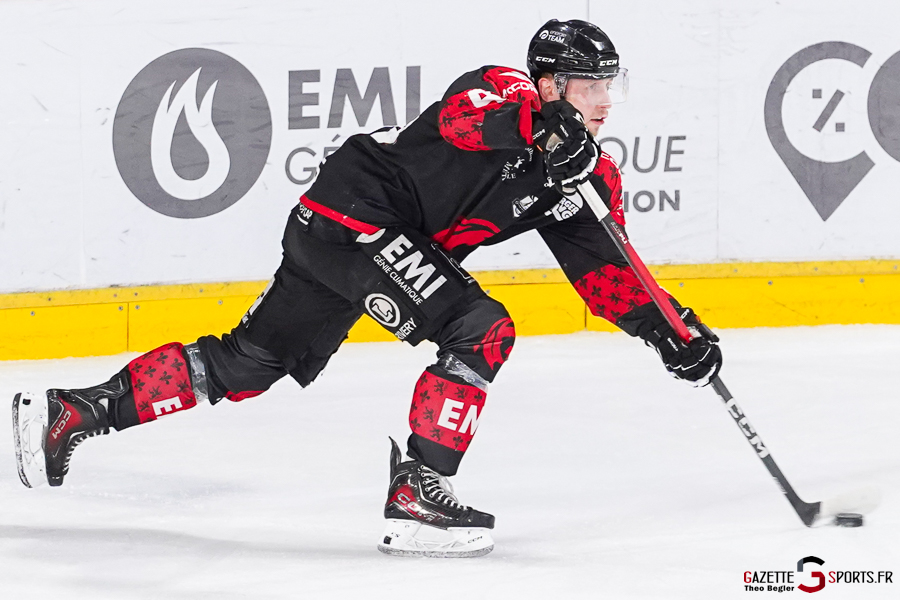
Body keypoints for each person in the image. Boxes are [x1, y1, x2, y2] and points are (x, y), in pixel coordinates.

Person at [12, 19, 722, 558]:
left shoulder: (585, 177)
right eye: (588, 86)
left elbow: (606, 271)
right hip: (356, 218)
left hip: (351, 238)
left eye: (609, 86)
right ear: (547, 83)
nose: (603, 102)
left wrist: (670, 332)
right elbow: (463, 120)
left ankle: (73, 414)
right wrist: (541, 127)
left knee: (248, 363)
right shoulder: (503, 90)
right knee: (483, 327)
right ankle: (418, 491)